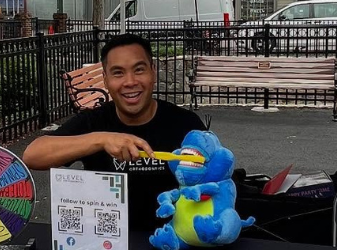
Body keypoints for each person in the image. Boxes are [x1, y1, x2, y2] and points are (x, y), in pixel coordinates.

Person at [23, 34, 206, 230]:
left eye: (139, 70)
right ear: (106, 79)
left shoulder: (185, 123)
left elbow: (215, 178)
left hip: (175, 242)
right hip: (106, 245)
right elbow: (32, 155)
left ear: (153, 72)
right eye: (118, 73)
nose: (130, 82)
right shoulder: (94, 121)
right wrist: (101, 139)